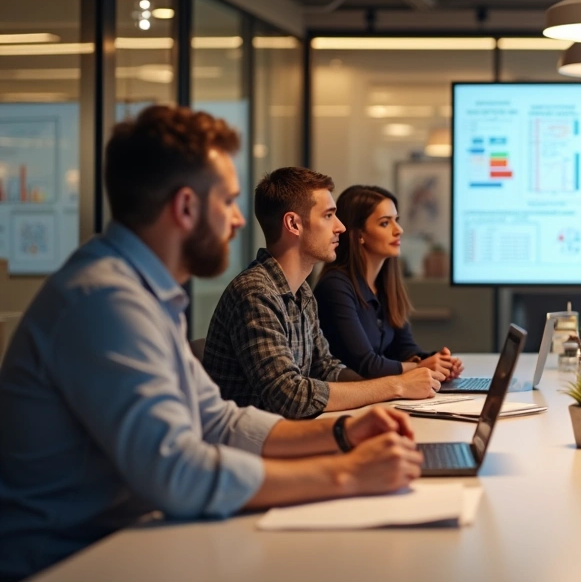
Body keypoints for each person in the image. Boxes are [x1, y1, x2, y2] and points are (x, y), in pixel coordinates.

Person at [0, 107, 424, 582]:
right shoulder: (104, 300)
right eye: (228, 201)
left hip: (126, 542)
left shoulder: (144, 292)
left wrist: (343, 435)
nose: (240, 220)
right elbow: (177, 471)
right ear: (185, 208)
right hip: (67, 560)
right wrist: (345, 475)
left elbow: (218, 421)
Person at [204, 168, 441, 419]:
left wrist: (394, 388)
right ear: (293, 224)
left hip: (285, 435)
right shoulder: (255, 293)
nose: (340, 227)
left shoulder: (301, 290)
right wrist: (397, 385)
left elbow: (326, 368)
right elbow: (289, 396)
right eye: (328, 216)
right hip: (253, 448)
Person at [314, 185, 464, 379]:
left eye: (397, 220)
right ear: (359, 234)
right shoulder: (335, 287)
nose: (399, 230)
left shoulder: (385, 285)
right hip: (352, 400)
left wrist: (438, 362)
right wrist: (422, 367)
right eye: (385, 223)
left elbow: (404, 348)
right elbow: (367, 365)